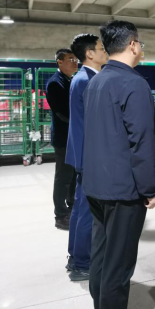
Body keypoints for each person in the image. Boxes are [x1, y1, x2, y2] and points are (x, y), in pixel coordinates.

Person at [83, 20, 155, 309]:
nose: (140, 48)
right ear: (132, 45)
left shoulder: (97, 81)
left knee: (102, 258)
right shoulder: (133, 84)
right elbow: (142, 142)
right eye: (140, 43)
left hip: (96, 185)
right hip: (123, 191)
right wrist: (149, 189)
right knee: (119, 264)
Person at [65, 34, 108, 282]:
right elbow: (92, 124)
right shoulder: (87, 80)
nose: (105, 52)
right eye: (102, 48)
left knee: (81, 209)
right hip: (88, 155)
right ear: (89, 53)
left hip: (84, 154)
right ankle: (82, 263)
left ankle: (75, 258)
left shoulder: (83, 78)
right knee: (87, 212)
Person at [46, 48, 78, 230]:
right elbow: (62, 113)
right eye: (70, 59)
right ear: (59, 62)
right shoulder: (55, 83)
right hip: (63, 138)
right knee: (63, 177)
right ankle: (60, 215)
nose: (75, 62)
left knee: (73, 176)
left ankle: (72, 207)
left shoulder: (69, 80)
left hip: (72, 137)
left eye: (75, 59)